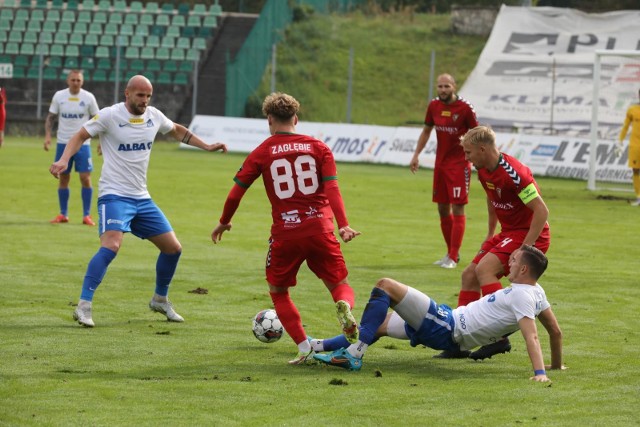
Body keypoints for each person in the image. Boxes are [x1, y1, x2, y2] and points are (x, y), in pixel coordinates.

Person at [49, 75, 227, 327]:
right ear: (127, 94)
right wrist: (65, 159)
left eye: (148, 96)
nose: (144, 101)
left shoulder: (154, 115)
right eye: (140, 95)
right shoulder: (110, 116)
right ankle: (83, 306)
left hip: (141, 198)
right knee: (111, 246)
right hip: (113, 195)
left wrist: (206, 146)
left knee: (173, 248)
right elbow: (79, 135)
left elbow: (177, 130)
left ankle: (159, 299)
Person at [211, 92, 361, 365]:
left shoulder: (261, 152)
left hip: (285, 233)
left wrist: (224, 220)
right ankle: (345, 308)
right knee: (339, 284)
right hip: (320, 228)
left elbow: (235, 194)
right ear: (296, 118)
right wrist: (344, 225)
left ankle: (304, 347)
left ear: (269, 119)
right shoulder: (319, 147)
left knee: (278, 291)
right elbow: (332, 188)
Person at [313, 246, 565, 382]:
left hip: (446, 327)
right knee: (375, 326)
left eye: (513, 260)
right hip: (446, 323)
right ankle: (315, 347)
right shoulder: (536, 291)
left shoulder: (522, 295)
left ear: (523, 268)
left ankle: (354, 355)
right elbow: (555, 331)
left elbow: (532, 336)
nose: (507, 263)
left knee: (385, 285)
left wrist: (540, 374)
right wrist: (555, 365)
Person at [435, 125, 550, 360]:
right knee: (468, 275)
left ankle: (499, 338)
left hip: (530, 233)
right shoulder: (483, 169)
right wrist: (490, 233)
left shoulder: (514, 173)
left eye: (468, 153)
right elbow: (492, 199)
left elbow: (541, 211)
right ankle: (458, 343)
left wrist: (525, 247)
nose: (466, 158)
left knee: (484, 269)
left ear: (482, 149)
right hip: (509, 231)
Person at [410, 74, 479, 269]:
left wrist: (475, 159)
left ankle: (453, 256)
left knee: (458, 207)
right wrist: (416, 154)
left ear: (454, 87)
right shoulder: (434, 106)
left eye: (446, 86)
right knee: (442, 208)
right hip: (440, 165)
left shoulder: (465, 108)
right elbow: (426, 131)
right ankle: (450, 254)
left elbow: (478, 134)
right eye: (440, 86)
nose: (442, 90)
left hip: (459, 165)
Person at [45, 70, 100, 225]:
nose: (76, 82)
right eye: (73, 80)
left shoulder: (89, 97)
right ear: (68, 81)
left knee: (85, 178)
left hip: (83, 144)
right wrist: (48, 136)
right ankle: (63, 214)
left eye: (78, 80)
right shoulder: (59, 96)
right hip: (63, 142)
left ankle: (87, 215)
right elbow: (51, 117)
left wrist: (101, 141)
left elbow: (99, 120)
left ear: (82, 82)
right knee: (63, 178)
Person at [616, 88, 640, 206]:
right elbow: (626, 126)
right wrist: (620, 140)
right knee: (635, 170)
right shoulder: (632, 110)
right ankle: (639, 197)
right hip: (635, 145)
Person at [0, 83, 6, 148]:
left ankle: (1, 141)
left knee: (1, 127)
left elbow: (2, 101)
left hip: (1, 111)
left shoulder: (2, 91)